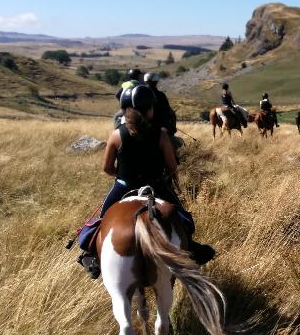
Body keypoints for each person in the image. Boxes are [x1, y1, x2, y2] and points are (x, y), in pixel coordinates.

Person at [76, 85, 214, 279]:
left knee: (101, 219)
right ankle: (191, 248)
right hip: (156, 186)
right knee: (183, 219)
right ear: (150, 110)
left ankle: (90, 254)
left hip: (123, 186)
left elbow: (106, 168)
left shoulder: (116, 135)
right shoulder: (162, 135)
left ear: (124, 110)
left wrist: (123, 175)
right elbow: (173, 167)